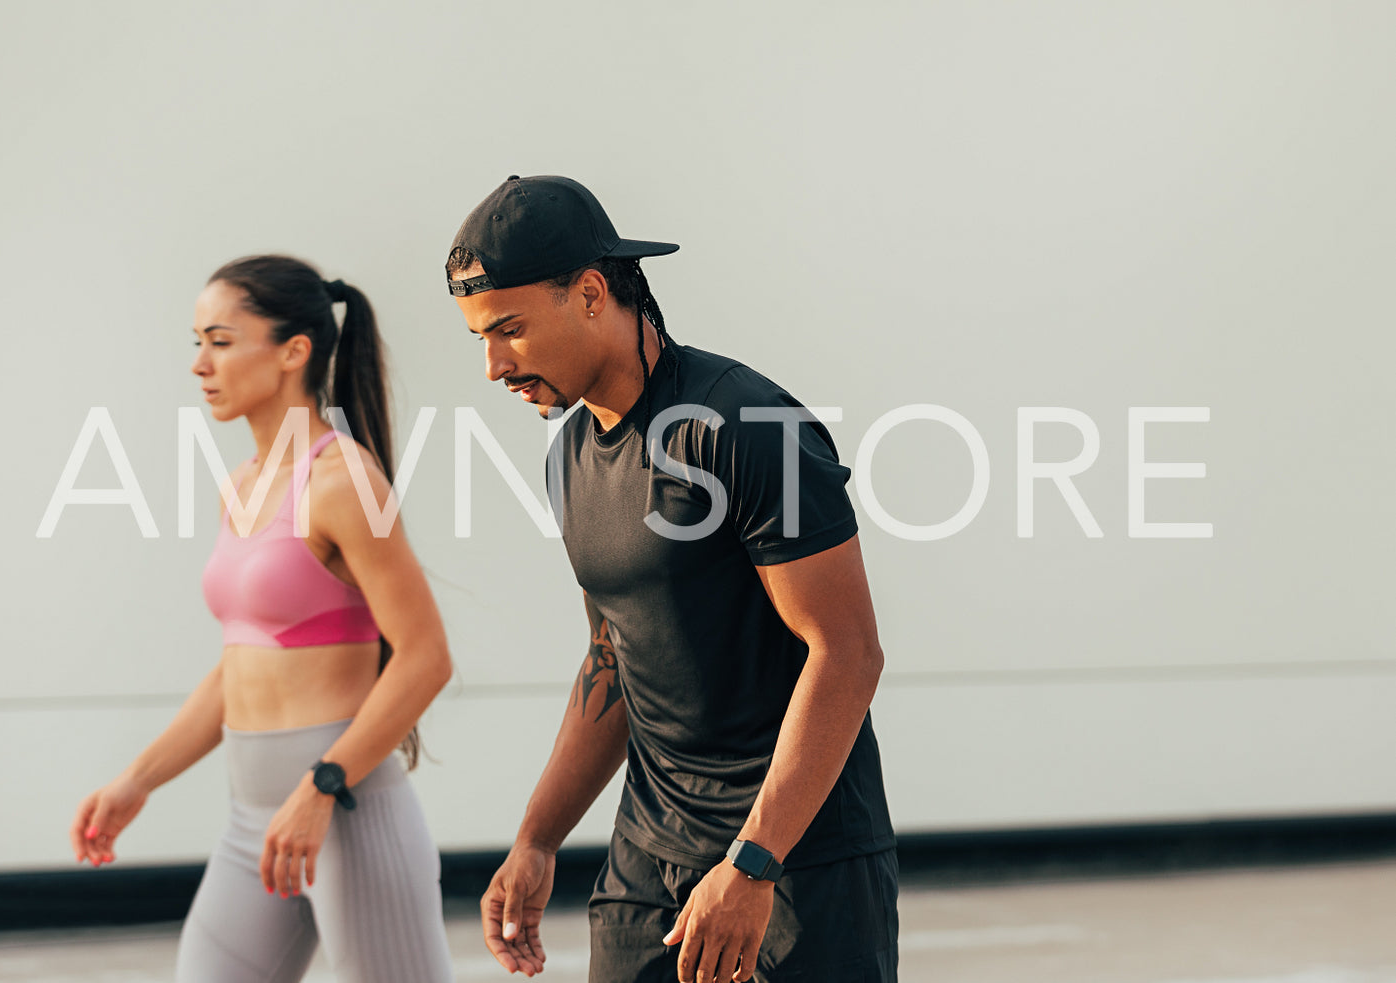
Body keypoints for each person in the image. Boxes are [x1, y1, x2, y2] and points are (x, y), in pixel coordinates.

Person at [446, 176, 898, 982]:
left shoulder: (746, 426)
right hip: (649, 864)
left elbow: (847, 652)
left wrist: (753, 864)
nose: (492, 365)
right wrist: (537, 839)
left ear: (590, 293)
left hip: (797, 864)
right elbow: (612, 656)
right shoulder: (570, 455)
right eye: (481, 336)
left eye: (508, 330)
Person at [69, 255, 457, 983]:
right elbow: (239, 665)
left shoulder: (345, 480)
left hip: (348, 817)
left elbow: (425, 655)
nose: (199, 364)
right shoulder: (241, 486)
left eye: (219, 340)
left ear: (293, 350)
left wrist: (320, 788)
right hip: (252, 821)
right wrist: (138, 780)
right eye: (196, 341)